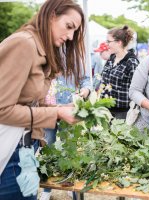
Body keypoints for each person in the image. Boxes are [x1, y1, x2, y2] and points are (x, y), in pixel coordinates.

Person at [0, 0, 85, 199]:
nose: (71, 36)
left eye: (75, 31)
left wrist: (61, 108)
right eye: (69, 26)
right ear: (51, 15)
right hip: (10, 150)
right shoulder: (23, 43)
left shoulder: (40, 49)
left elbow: (26, 102)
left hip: (24, 149)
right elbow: (2, 109)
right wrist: (56, 112)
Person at [101, 25, 139, 119]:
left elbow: (137, 89)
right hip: (105, 110)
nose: (107, 44)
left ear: (119, 42)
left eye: (108, 41)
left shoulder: (132, 62)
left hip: (122, 114)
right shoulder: (111, 58)